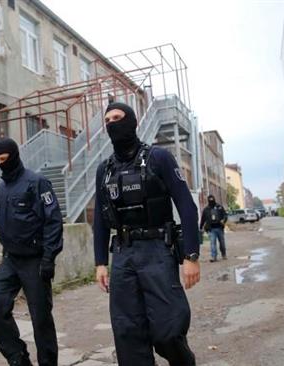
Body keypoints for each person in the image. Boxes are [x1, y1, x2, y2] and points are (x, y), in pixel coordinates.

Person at [93, 102, 199, 366]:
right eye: (107, 120)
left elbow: (186, 206)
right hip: (123, 255)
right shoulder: (104, 170)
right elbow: (100, 220)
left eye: (117, 117)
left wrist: (191, 255)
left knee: (168, 329)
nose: (112, 123)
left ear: (132, 121)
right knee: (127, 331)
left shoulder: (158, 158)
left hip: (157, 251)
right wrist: (100, 264)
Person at [0, 138, 63, 366]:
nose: (1, 164)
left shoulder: (37, 182)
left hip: (34, 260)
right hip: (10, 259)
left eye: (4, 159)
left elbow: (53, 221)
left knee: (40, 318)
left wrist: (49, 258)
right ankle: (18, 359)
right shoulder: (2, 188)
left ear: (14, 155)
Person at [199, 195, 228, 262]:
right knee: (212, 243)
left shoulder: (219, 207)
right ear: (208, 200)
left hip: (219, 228)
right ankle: (214, 257)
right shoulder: (206, 209)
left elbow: (225, 215)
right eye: (210, 199)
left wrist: (223, 220)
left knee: (222, 243)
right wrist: (201, 228)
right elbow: (203, 219)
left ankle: (224, 254)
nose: (211, 201)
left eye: (212, 199)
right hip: (211, 229)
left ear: (214, 199)